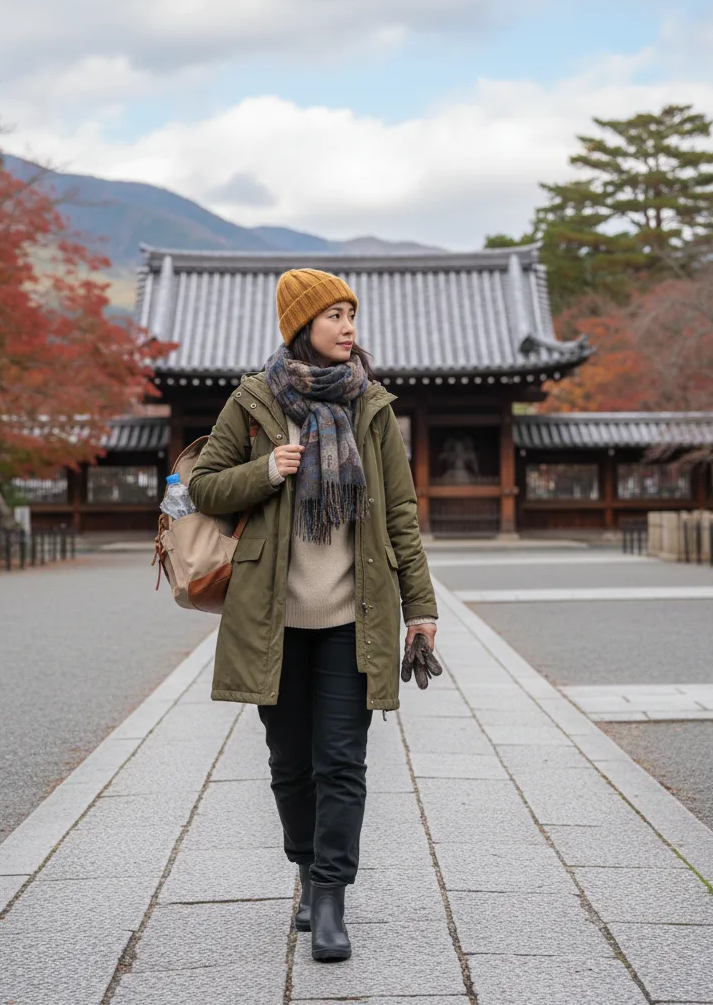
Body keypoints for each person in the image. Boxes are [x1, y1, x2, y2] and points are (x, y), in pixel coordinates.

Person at [188, 268, 438, 963]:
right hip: (273, 615)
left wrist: (422, 609)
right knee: (289, 761)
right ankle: (305, 869)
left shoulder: (372, 406)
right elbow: (203, 487)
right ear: (300, 325)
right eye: (332, 315)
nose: (347, 325)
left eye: (350, 313)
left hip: (353, 615)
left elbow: (399, 516)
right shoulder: (253, 400)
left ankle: (331, 896)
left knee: (341, 760)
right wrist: (269, 469)